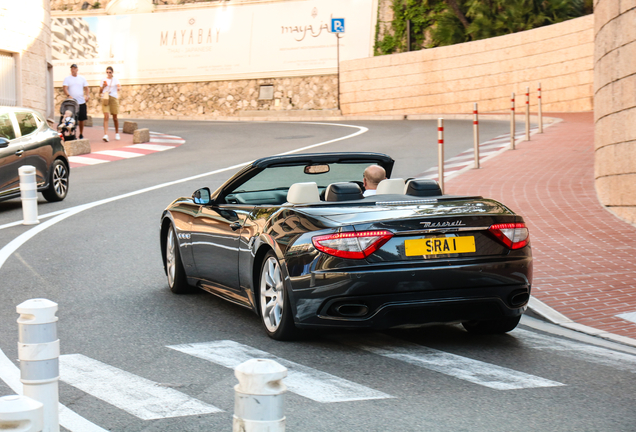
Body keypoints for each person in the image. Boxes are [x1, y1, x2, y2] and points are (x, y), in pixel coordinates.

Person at [62, 64, 89, 139]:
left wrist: (87, 95)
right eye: (72, 69)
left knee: (81, 119)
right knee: (71, 119)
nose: (73, 70)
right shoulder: (67, 78)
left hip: (81, 102)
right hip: (72, 103)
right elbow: (65, 88)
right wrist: (68, 95)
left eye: (74, 68)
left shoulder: (82, 78)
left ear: (77, 69)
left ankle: (81, 134)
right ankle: (71, 133)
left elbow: (87, 88)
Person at [100, 66, 122, 142]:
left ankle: (117, 133)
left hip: (113, 98)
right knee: (106, 115)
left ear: (112, 73)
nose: (108, 74)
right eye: (107, 72)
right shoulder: (103, 80)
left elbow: (119, 86)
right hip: (106, 98)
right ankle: (106, 135)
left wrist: (118, 88)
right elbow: (100, 91)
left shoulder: (115, 80)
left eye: (110, 72)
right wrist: (103, 86)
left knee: (115, 117)